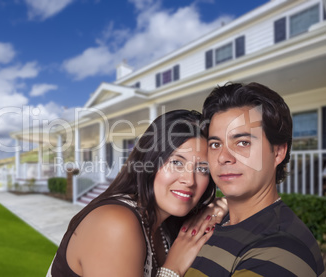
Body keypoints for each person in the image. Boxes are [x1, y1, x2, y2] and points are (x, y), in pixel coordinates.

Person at [46, 109, 227, 277]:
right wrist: (173, 268)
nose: (189, 180)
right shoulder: (114, 224)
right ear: (149, 161)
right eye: (177, 162)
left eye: (203, 169)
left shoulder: (164, 224)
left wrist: (221, 207)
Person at [187, 82, 325, 276]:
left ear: (278, 152)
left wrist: (170, 269)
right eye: (215, 144)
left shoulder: (280, 249)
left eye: (242, 142)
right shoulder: (215, 221)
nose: (223, 156)